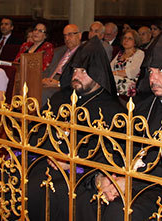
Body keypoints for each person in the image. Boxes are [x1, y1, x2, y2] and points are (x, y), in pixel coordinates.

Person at [27, 36, 125, 221]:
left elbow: (111, 154)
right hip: (46, 159)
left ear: (97, 75)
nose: (76, 76)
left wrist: (72, 163)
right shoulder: (61, 98)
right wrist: (51, 154)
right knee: (10, 173)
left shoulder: (112, 109)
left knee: (52, 191)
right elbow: (37, 130)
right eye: (75, 70)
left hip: (81, 173)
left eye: (83, 71)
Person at [76, 34, 162, 221]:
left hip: (155, 188)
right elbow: (117, 147)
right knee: (85, 198)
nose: (153, 78)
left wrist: (131, 183)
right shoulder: (144, 107)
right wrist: (105, 177)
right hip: (131, 179)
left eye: (160, 71)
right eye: (151, 71)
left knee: (119, 213)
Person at [41, 24, 81, 106]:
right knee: (27, 87)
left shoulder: (83, 53)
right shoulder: (58, 51)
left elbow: (79, 77)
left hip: (64, 86)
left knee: (43, 93)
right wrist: (43, 79)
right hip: (49, 81)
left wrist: (59, 83)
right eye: (65, 36)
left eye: (70, 35)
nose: (67, 38)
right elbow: (48, 69)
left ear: (79, 35)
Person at [110, 29, 144, 98]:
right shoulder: (120, 53)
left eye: (130, 38)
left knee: (110, 79)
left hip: (130, 82)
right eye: (125, 38)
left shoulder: (139, 53)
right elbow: (109, 67)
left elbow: (132, 72)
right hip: (116, 79)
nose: (126, 40)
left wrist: (114, 73)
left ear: (135, 42)